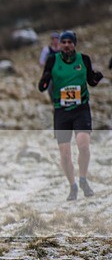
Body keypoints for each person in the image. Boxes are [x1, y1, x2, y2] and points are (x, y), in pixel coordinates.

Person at [37, 30, 104, 201]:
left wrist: (96, 77)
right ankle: (72, 185)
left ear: (74, 44)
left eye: (69, 42)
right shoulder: (52, 60)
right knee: (65, 154)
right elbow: (42, 85)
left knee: (83, 145)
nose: (66, 45)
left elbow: (91, 81)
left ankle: (83, 179)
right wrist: (45, 79)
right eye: (63, 42)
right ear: (59, 44)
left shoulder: (84, 59)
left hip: (81, 109)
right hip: (61, 112)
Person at [39, 31, 61, 97]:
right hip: (51, 72)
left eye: (57, 39)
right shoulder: (47, 50)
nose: (55, 41)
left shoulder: (62, 49)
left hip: (61, 71)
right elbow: (41, 61)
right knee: (50, 87)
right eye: (54, 39)